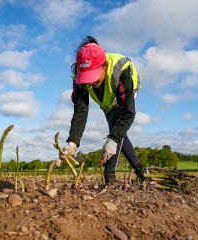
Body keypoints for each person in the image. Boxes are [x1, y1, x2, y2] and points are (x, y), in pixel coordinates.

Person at [60, 36, 147, 186]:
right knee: (118, 133)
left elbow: (128, 113)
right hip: (106, 100)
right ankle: (142, 171)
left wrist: (112, 140)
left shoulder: (120, 70)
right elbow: (80, 111)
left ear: (104, 66)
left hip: (125, 92)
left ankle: (110, 176)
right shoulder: (79, 77)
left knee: (115, 129)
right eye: (87, 79)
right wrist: (73, 142)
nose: (92, 84)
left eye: (94, 77)